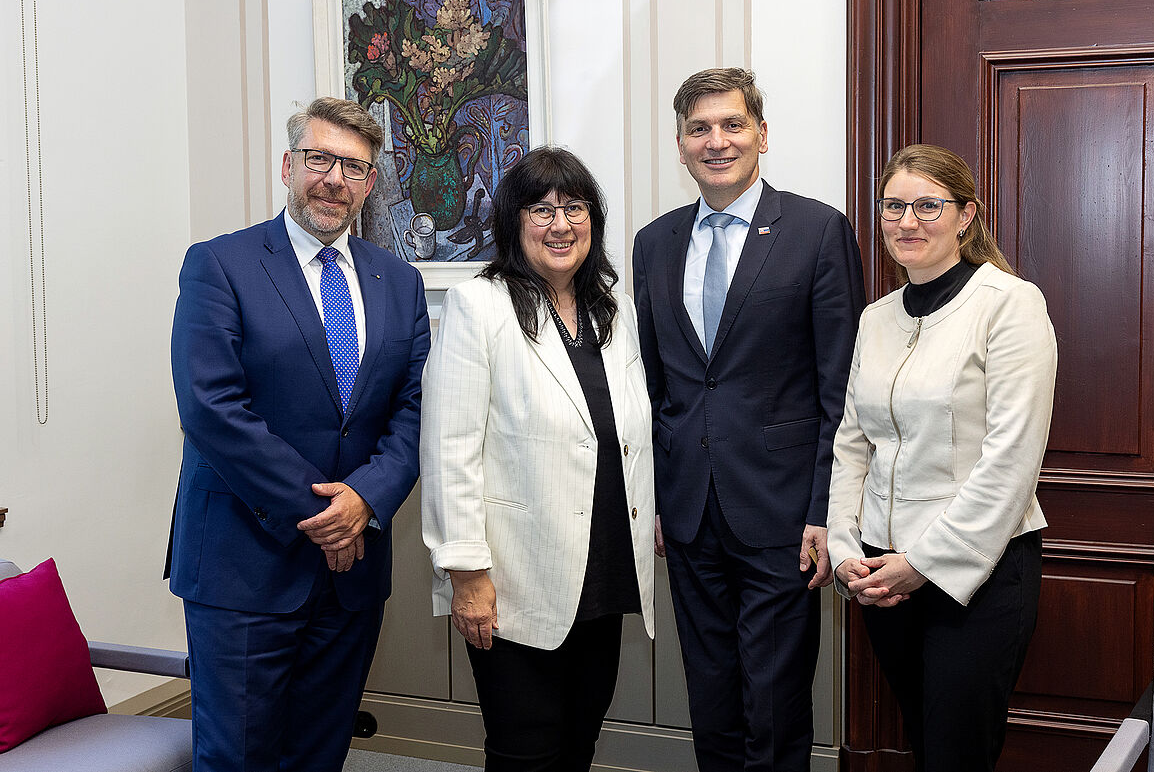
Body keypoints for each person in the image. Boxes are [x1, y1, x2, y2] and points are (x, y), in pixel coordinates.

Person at [166, 97, 429, 772]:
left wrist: (365, 499)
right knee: (239, 757)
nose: (334, 179)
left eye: (354, 167)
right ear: (288, 165)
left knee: (320, 753)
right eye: (319, 159)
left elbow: (413, 409)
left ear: (371, 183)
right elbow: (211, 408)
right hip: (243, 565)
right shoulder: (219, 264)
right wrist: (325, 515)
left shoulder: (400, 283)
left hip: (352, 575)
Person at [632, 67, 865, 771]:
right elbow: (657, 386)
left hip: (784, 514)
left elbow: (840, 391)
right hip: (689, 512)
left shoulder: (817, 231)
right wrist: (658, 500)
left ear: (762, 134)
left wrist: (827, 510)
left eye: (732, 124)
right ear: (679, 145)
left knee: (775, 703)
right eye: (699, 128)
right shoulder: (654, 243)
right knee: (711, 699)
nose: (717, 141)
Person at [421, 147, 655, 771]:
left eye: (575, 208)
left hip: (604, 566)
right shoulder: (479, 305)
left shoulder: (614, 311)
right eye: (541, 210)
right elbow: (449, 447)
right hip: (513, 576)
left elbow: (630, 432)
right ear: (513, 221)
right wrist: (465, 571)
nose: (561, 224)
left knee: (579, 741)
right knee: (525, 750)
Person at [826, 143, 1058, 771]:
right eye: (893, 206)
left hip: (978, 574)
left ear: (966, 216)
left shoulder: (1009, 303)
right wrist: (846, 552)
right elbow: (853, 443)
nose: (908, 221)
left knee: (958, 756)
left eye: (928, 206)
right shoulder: (876, 318)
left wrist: (922, 564)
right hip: (883, 576)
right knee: (925, 744)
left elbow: (1011, 462)